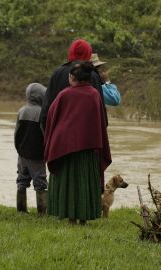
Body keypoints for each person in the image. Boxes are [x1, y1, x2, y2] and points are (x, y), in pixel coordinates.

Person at [44, 61, 112, 225]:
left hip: (65, 148)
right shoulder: (94, 94)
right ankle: (84, 218)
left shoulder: (65, 95)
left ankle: (71, 218)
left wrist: (53, 140)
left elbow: (51, 118)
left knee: (68, 182)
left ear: (73, 77)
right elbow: (100, 122)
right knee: (84, 182)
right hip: (88, 149)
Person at [39, 39, 107, 130]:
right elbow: (101, 113)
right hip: (86, 134)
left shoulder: (58, 73)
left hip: (60, 134)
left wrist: (49, 137)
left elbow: (46, 110)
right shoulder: (93, 75)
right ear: (88, 54)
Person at [14, 83, 48, 216]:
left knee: (22, 180)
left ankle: (21, 210)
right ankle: (42, 212)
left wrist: (19, 148)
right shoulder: (42, 113)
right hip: (37, 154)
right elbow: (45, 134)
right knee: (40, 182)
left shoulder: (21, 111)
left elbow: (17, 133)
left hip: (22, 152)